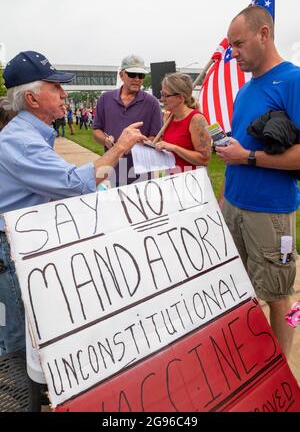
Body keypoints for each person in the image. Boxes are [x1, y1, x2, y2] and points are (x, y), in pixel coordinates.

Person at [0, 50, 147, 357]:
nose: (64, 93)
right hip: (9, 250)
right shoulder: (22, 140)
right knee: (16, 342)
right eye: (54, 87)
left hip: (20, 242)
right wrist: (119, 147)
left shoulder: (31, 133)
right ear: (32, 98)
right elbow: (74, 184)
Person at [216, 6, 300, 358]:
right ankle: (253, 365)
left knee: (280, 296)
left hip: (270, 212)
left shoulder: (293, 80)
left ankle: (281, 379)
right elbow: (238, 147)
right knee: (242, 290)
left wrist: (248, 157)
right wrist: (225, 198)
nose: (232, 53)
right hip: (235, 205)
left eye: (238, 43)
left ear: (264, 34)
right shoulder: (246, 90)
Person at [93, 55, 163, 186]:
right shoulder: (105, 99)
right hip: (112, 170)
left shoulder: (152, 103)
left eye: (141, 75)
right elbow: (96, 130)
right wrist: (105, 140)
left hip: (141, 173)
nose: (137, 79)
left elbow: (156, 136)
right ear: (121, 75)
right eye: (132, 74)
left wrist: (141, 144)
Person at [155, 73, 211, 171]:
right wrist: (147, 145)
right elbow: (166, 147)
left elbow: (204, 159)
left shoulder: (196, 119)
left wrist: (175, 148)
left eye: (165, 95)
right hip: (172, 180)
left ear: (180, 98)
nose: (162, 99)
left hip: (191, 182)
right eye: (161, 94)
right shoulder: (169, 118)